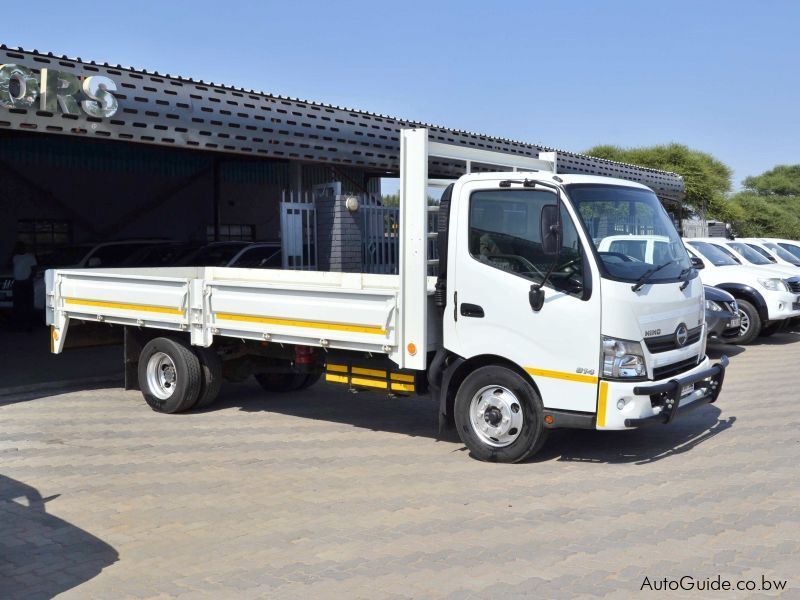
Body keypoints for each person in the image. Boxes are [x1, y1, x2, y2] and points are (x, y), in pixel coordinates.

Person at [11, 242, 37, 331]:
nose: (19, 249)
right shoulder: (15, 257)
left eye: (21, 247)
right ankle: (19, 325)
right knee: (17, 305)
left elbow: (34, 270)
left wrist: (28, 279)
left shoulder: (30, 257)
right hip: (17, 283)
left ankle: (29, 325)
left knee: (28, 304)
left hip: (26, 283)